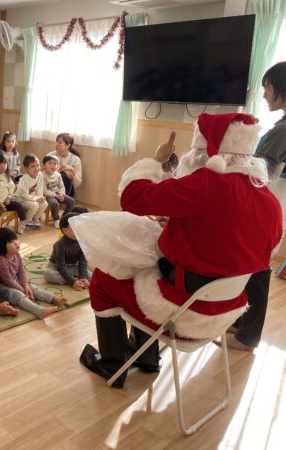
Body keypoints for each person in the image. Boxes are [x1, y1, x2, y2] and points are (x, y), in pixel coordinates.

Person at [80, 113, 282, 388]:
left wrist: (156, 160)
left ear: (205, 153)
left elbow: (132, 197)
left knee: (104, 278)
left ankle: (112, 363)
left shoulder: (207, 182)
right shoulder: (268, 198)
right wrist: (179, 224)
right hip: (226, 313)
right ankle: (146, 357)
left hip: (183, 313)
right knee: (146, 270)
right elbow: (236, 240)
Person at [226, 62, 286, 351]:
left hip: (266, 206)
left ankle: (247, 336)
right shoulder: (281, 126)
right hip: (271, 206)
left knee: (257, 269)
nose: (264, 94)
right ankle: (241, 324)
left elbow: (259, 170)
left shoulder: (282, 130)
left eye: (268, 87)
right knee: (251, 265)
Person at [0, 227, 66, 319]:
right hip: (0, 287)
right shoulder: (1, 261)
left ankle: (53, 299)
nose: (16, 243)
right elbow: (8, 281)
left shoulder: (17, 255)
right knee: (18, 294)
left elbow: (21, 272)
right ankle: (39, 310)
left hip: (13, 282)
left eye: (15, 239)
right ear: (2, 246)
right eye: (11, 242)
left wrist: (26, 286)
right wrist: (23, 291)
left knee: (32, 287)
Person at [44, 213, 89, 290]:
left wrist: (83, 277)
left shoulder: (82, 241)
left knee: (90, 274)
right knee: (49, 275)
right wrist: (72, 282)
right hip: (56, 265)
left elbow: (83, 260)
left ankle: (76, 279)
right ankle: (73, 279)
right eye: (76, 226)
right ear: (66, 230)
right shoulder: (60, 245)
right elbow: (60, 266)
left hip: (73, 265)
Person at [0, 152, 27, 234]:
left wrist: (9, 197)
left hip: (6, 201)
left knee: (19, 206)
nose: (2, 166)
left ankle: (23, 223)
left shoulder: (7, 176)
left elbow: (12, 187)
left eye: (4, 163)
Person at [14, 154, 47, 228]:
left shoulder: (40, 175)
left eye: (38, 165)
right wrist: (36, 199)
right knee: (34, 205)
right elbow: (24, 196)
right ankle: (27, 220)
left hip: (31, 198)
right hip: (20, 199)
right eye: (32, 166)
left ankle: (35, 218)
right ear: (26, 168)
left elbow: (40, 189)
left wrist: (40, 198)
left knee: (44, 203)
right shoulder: (24, 179)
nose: (36, 168)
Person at [42, 155, 75, 228]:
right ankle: (56, 219)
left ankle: (65, 217)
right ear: (44, 166)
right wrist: (56, 196)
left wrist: (61, 194)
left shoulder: (58, 175)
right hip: (47, 195)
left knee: (71, 201)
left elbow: (62, 186)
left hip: (58, 193)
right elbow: (44, 191)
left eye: (55, 164)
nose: (53, 165)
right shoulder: (42, 175)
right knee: (55, 204)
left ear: (57, 166)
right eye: (50, 163)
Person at [47, 133, 82, 197]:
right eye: (56, 142)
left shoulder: (76, 159)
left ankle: (62, 198)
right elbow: (46, 176)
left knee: (65, 176)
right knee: (63, 175)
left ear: (68, 145)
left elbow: (77, 184)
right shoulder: (50, 156)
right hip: (50, 189)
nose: (56, 144)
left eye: (60, 142)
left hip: (68, 192)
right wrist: (63, 171)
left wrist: (72, 170)